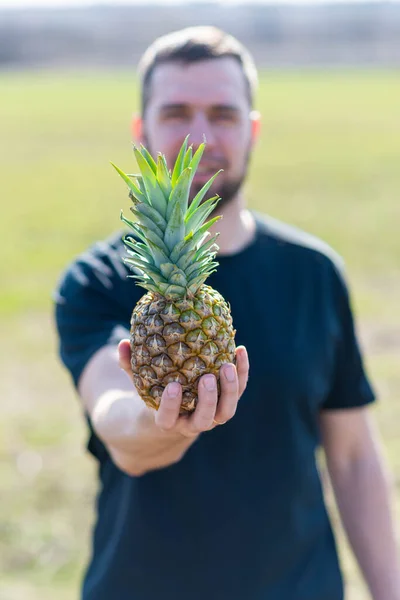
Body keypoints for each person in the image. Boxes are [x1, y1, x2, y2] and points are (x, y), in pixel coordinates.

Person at [54, 26, 400, 600]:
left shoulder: (314, 271)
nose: (199, 136)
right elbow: (116, 423)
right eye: (175, 113)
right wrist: (155, 422)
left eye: (222, 113)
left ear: (252, 129)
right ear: (141, 132)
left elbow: (354, 454)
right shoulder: (96, 282)